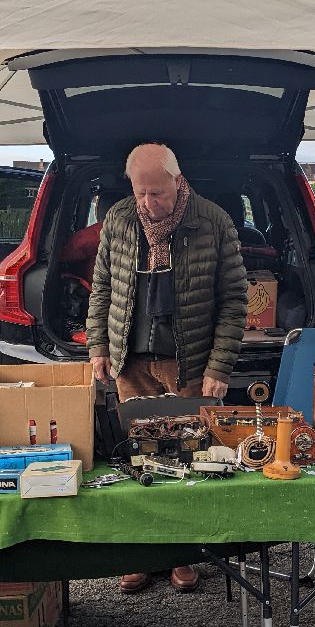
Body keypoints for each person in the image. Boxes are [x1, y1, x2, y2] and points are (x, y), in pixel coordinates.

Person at [88, 143, 248, 594]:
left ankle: (183, 555)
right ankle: (142, 553)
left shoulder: (213, 221)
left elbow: (234, 300)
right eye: (140, 192)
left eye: (156, 193)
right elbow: (102, 287)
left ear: (177, 182)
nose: (147, 203)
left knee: (187, 459)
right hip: (131, 361)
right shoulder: (119, 219)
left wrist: (219, 366)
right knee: (140, 457)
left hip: (189, 363)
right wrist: (98, 344)